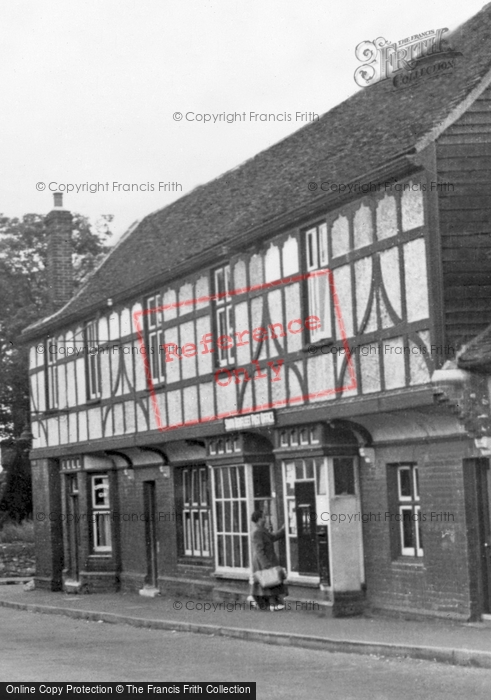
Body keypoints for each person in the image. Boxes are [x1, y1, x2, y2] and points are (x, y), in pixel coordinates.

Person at [249, 509, 288, 611]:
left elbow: (273, 537)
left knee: (267, 582)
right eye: (263, 517)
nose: (265, 519)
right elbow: (259, 551)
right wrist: (266, 565)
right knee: (268, 581)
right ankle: (270, 603)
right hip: (262, 561)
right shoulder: (257, 532)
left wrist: (283, 530)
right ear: (258, 519)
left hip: (266, 560)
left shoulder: (262, 530)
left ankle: (264, 602)